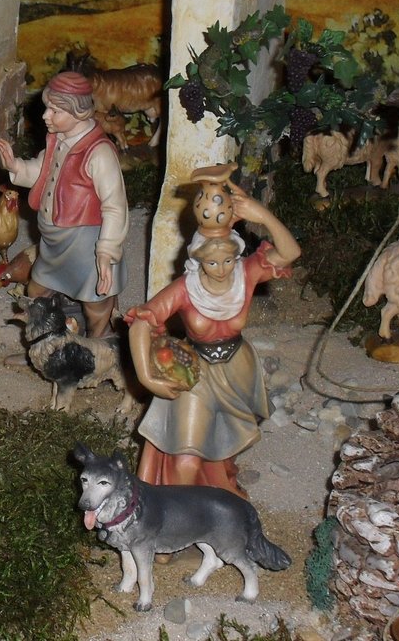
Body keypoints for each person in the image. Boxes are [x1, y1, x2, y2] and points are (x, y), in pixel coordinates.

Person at [124, 179, 300, 498]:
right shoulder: (186, 288)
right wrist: (147, 377)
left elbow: (290, 253)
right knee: (186, 459)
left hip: (237, 370)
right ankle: (178, 515)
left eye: (228, 260)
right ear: (198, 259)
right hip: (197, 374)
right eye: (212, 262)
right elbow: (141, 322)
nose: (221, 269)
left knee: (222, 447)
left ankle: (215, 498)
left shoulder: (246, 274)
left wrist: (262, 215)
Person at [0, 71, 127, 339]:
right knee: (37, 291)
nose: (46, 116)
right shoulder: (58, 140)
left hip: (85, 242)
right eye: (47, 108)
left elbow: (115, 206)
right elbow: (41, 172)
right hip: (54, 240)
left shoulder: (99, 153)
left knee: (96, 302)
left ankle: (97, 350)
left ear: (79, 112)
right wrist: (15, 166)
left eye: (54, 111)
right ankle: (44, 347)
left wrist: (107, 250)